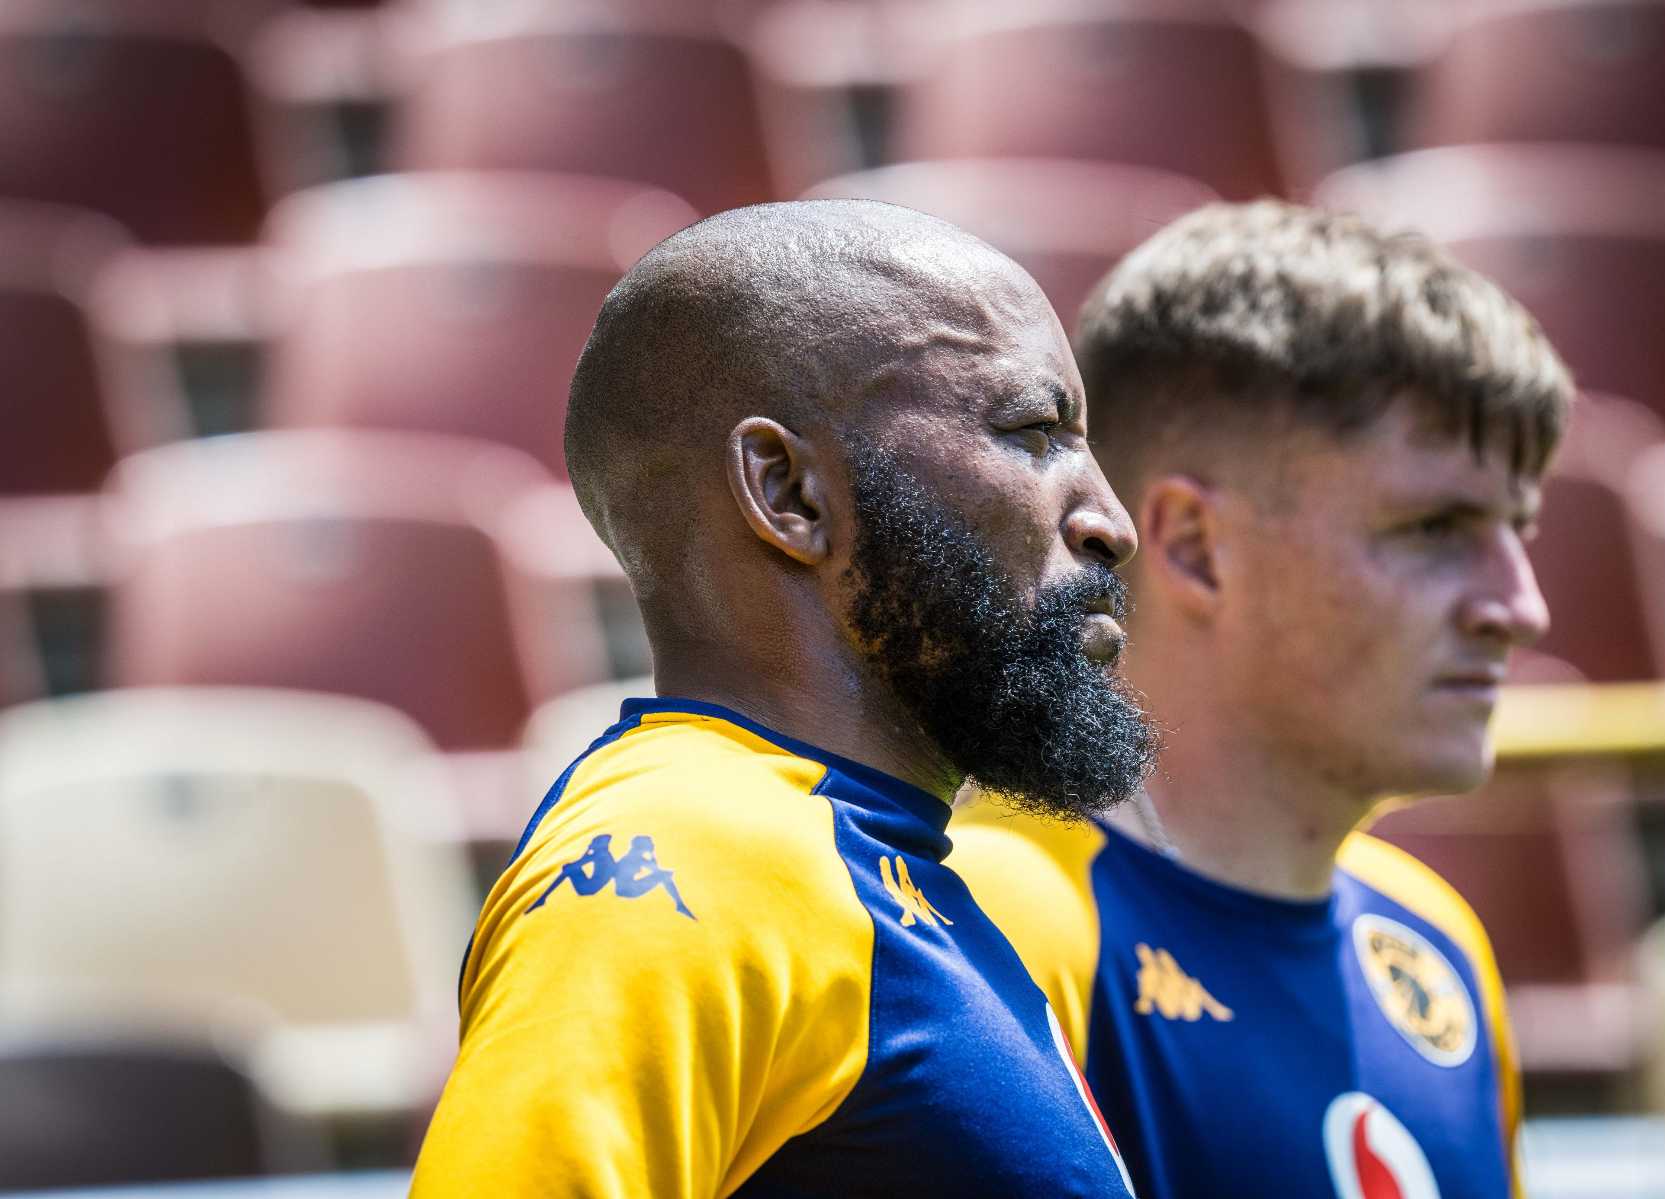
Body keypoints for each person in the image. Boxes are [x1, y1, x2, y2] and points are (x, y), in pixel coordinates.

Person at [411, 199, 1158, 1197]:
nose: (1112, 522)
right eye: (1034, 432)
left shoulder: (863, 864)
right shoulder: (687, 852)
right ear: (789, 492)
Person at [948, 200, 1574, 1199]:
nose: (1521, 608)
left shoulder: (1436, 941)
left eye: (1518, 527)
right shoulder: (994, 924)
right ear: (1197, 546)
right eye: (1435, 528)